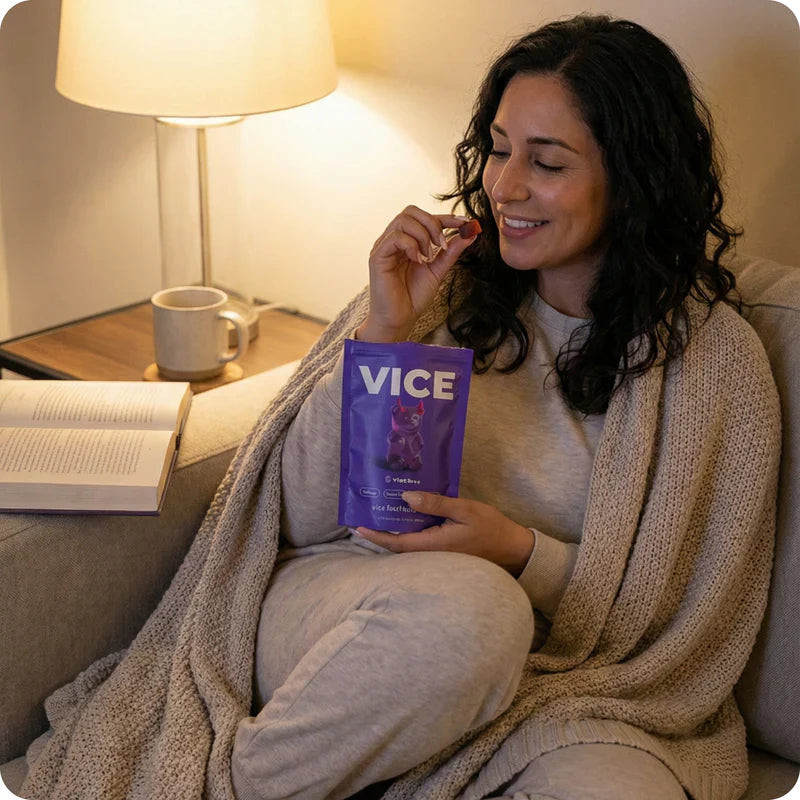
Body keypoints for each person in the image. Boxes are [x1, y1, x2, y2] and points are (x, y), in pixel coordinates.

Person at [19, 13, 779, 800]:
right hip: (355, 603)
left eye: (547, 162)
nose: (506, 187)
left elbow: (690, 622)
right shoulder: (442, 290)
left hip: (576, 680)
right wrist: (386, 331)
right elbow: (298, 517)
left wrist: (519, 553)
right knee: (473, 614)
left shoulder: (712, 366)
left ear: (634, 180)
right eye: (499, 148)